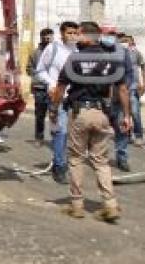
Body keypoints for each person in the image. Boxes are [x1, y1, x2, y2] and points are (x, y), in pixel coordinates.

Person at [50, 21, 131, 223]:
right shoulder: (111, 60)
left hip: (80, 113)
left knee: (76, 158)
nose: (76, 37)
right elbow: (122, 89)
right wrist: (127, 116)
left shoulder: (74, 59)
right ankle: (110, 204)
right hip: (102, 114)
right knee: (100, 160)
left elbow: (60, 88)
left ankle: (77, 205)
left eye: (78, 34)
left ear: (87, 37)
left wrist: (53, 110)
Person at [34, 21, 79, 184]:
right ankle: (59, 166)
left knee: (74, 134)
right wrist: (51, 85)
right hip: (57, 96)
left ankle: (65, 161)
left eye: (75, 33)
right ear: (62, 34)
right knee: (61, 131)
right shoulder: (53, 48)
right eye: (69, 33)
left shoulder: (79, 49)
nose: (72, 36)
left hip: (76, 98)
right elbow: (40, 71)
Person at [103, 28, 136, 173]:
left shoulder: (123, 51)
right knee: (99, 129)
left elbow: (129, 72)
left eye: (113, 35)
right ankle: (98, 157)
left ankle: (122, 158)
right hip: (101, 97)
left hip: (119, 95)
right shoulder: (96, 50)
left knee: (122, 128)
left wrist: (125, 86)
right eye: (108, 35)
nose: (110, 37)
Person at [27, 28, 55, 142]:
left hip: (54, 88)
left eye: (50, 37)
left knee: (55, 114)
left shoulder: (57, 52)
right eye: (45, 37)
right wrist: (40, 75)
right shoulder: (35, 53)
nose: (48, 39)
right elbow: (29, 69)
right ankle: (39, 136)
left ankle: (56, 137)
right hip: (40, 89)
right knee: (40, 115)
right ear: (41, 38)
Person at [120, 34, 145, 144]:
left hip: (133, 87)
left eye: (127, 41)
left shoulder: (136, 53)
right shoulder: (117, 53)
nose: (125, 43)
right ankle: (127, 134)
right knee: (123, 113)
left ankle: (138, 135)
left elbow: (144, 67)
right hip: (121, 88)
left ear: (132, 42)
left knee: (135, 112)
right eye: (123, 41)